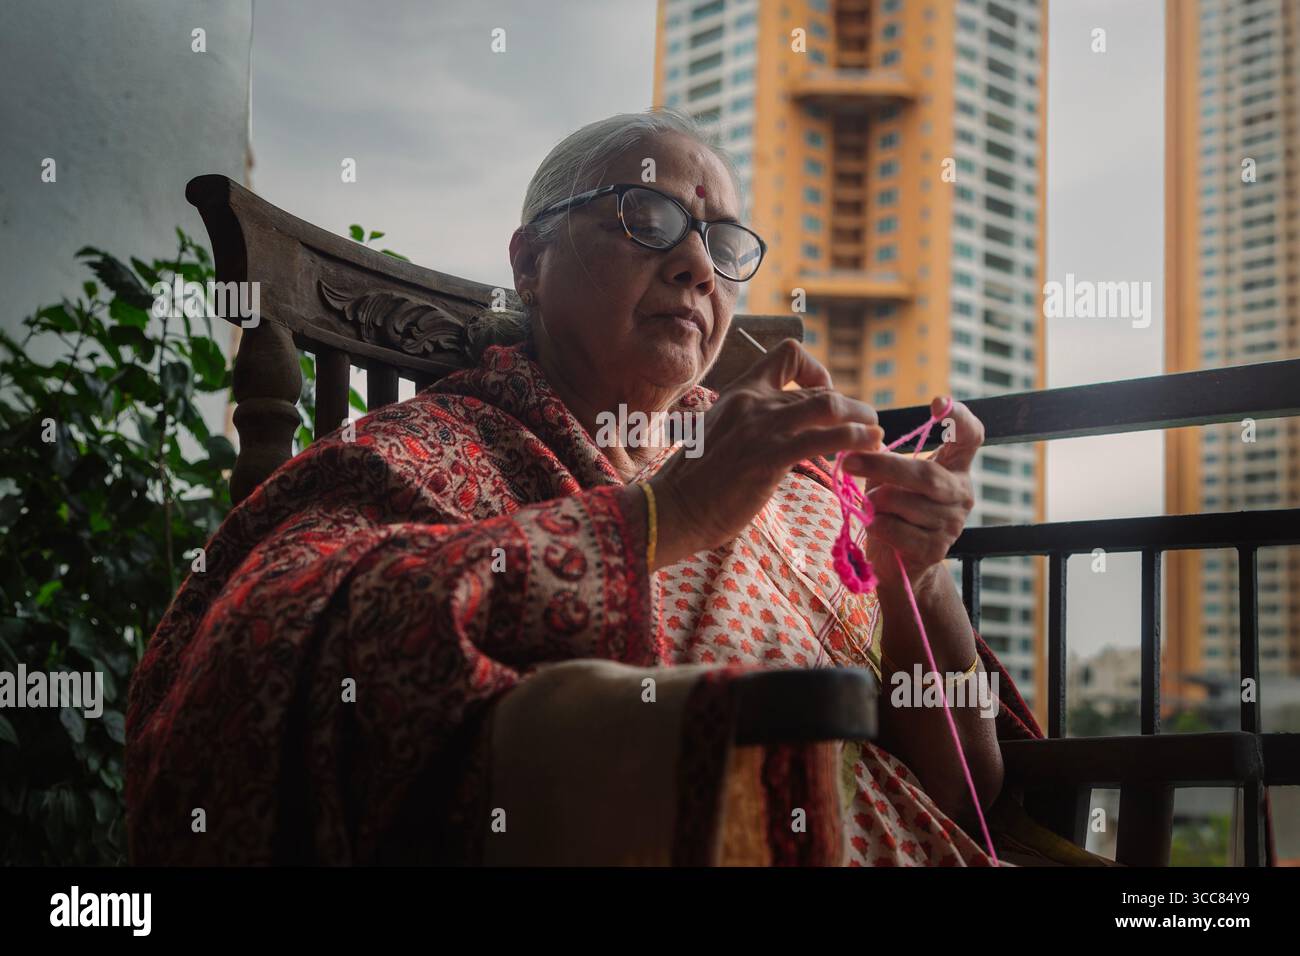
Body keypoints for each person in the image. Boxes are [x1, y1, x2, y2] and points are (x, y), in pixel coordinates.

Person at [126, 109, 1047, 866]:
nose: (695, 265)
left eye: (723, 244)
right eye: (646, 217)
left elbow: (971, 785)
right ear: (530, 262)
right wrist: (667, 514)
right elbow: (252, 643)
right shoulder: (438, 450)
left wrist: (914, 575)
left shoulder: (808, 490)